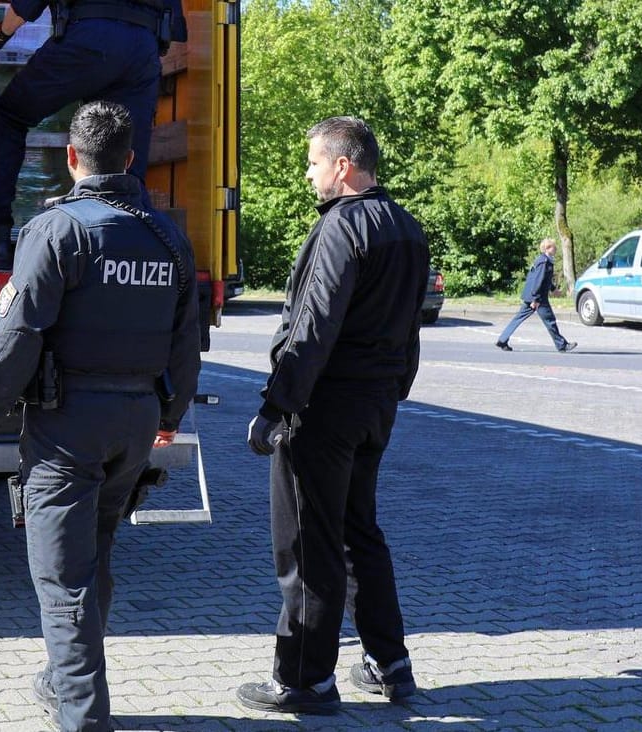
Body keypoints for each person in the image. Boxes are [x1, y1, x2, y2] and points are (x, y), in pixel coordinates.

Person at [0, 101, 200, 731]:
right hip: (134, 423)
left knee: (63, 580)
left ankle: (84, 717)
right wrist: (169, 414)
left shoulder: (58, 230)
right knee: (93, 559)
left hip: (69, 425)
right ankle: (59, 680)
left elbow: (20, 330)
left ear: (72, 158)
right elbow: (186, 340)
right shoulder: (167, 236)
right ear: (130, 158)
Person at [236, 116, 428, 714]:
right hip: (375, 407)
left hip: (323, 409)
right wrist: (394, 390)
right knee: (358, 534)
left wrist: (276, 406)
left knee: (307, 543)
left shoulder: (340, 229)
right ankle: (390, 665)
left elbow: (311, 328)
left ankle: (304, 680)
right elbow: (410, 329)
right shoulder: (407, 228)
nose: (308, 172)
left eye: (314, 162)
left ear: (343, 166)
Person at [0, 0, 186, 267]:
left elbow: (25, 6)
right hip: (143, 50)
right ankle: (127, 255)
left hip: (89, 38)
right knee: (121, 151)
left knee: (8, 116)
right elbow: (175, 28)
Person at [495, 238, 577, 352]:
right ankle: (562, 345)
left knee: (518, 318)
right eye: (554, 246)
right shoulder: (544, 262)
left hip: (533, 296)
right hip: (538, 298)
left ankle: (502, 340)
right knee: (550, 320)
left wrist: (553, 290)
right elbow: (538, 281)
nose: (556, 248)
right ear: (548, 248)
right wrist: (535, 299)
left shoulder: (543, 260)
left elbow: (545, 280)